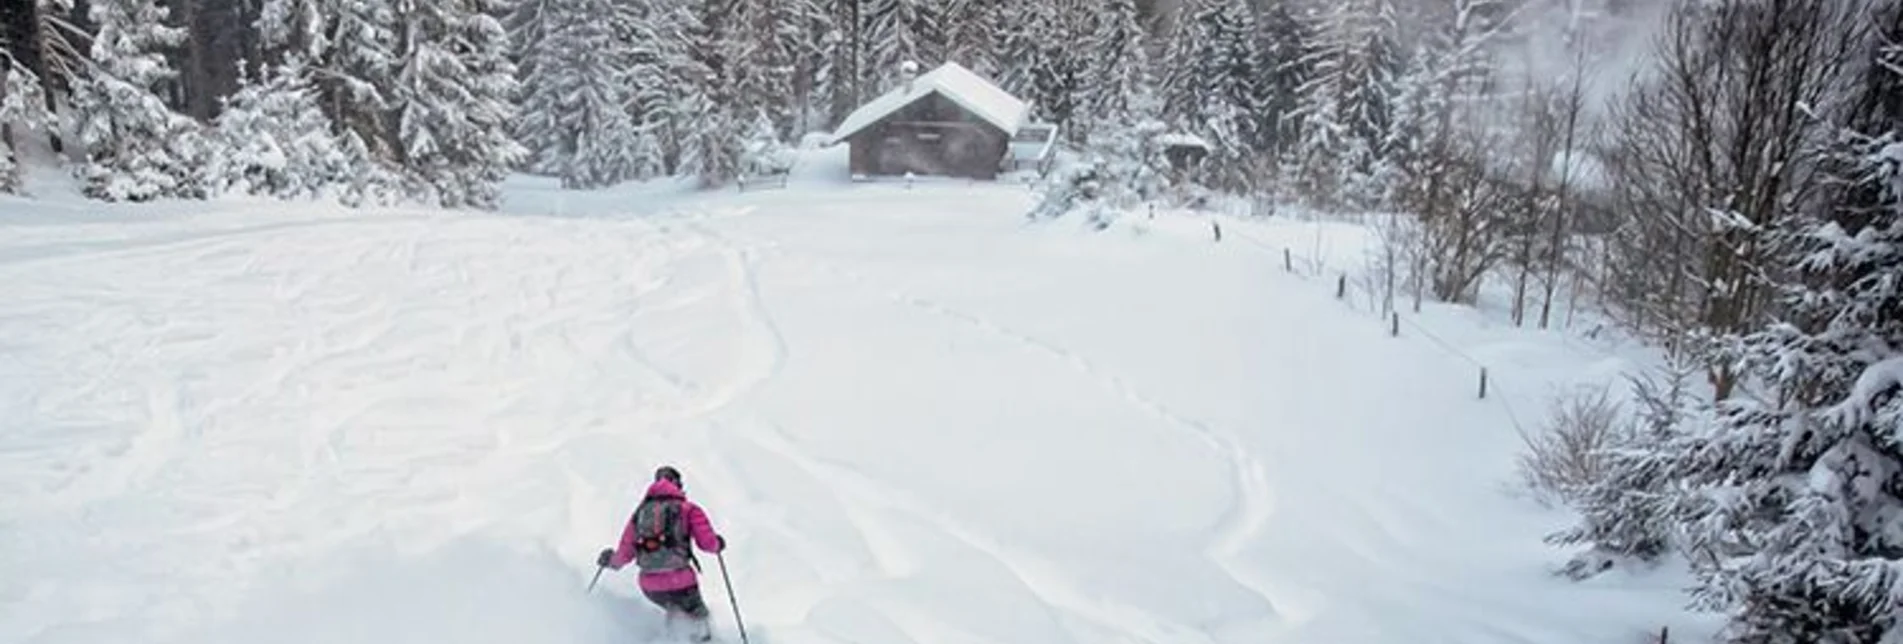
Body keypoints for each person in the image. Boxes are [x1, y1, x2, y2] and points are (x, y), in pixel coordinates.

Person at [598, 465, 727, 642]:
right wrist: (718, 543)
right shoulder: (688, 509)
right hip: (682, 583)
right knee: (699, 621)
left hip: (650, 587)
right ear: (678, 484)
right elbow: (708, 544)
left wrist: (610, 561)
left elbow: (624, 554)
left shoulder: (640, 513)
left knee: (674, 611)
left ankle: (670, 638)